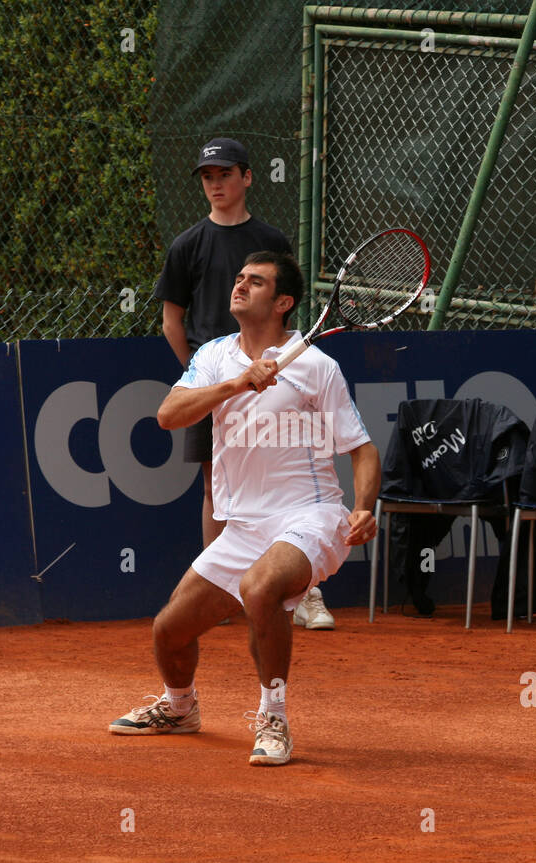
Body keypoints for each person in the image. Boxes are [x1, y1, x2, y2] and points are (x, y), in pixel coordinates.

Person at [111, 251, 380, 765]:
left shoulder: (318, 368)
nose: (239, 286)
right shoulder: (213, 355)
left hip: (313, 515)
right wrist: (237, 383)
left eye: (255, 282)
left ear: (283, 302)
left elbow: (361, 448)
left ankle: (273, 717)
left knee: (261, 589)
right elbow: (168, 415)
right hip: (244, 527)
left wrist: (364, 507)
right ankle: (180, 707)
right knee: (169, 631)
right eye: (238, 278)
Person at [154, 137, 335, 629]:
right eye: (208, 177)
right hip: (217, 382)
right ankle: (222, 591)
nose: (216, 185)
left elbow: (287, 304)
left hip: (275, 380)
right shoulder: (187, 245)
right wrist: (207, 376)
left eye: (225, 175)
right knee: (218, 488)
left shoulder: (271, 240)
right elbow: (173, 321)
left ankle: (304, 592)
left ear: (247, 178)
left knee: (291, 486)